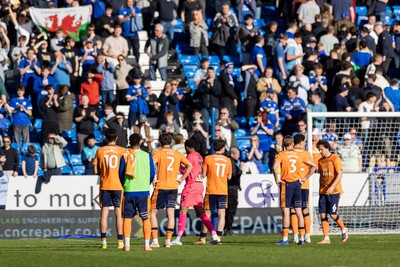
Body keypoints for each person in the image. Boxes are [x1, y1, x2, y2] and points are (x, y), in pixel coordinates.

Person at [170, 139, 220, 245]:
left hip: (191, 186)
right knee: (200, 212)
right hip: (199, 184)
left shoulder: (190, 156)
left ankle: (178, 239)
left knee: (183, 210)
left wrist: (179, 165)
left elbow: (188, 170)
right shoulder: (199, 156)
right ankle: (215, 235)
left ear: (187, 147)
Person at [150, 133, 193, 248]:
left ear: (160, 141)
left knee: (152, 213)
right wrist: (181, 179)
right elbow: (190, 166)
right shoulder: (177, 154)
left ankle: (155, 241)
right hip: (173, 186)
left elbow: (151, 165)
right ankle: (168, 241)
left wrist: (153, 179)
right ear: (171, 142)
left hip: (161, 186)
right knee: (170, 213)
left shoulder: (158, 152)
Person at [273, 135, 316, 245]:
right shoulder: (299, 154)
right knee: (299, 211)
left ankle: (285, 238)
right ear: (292, 144)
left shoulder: (281, 154)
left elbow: (274, 167)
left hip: (287, 184)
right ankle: (302, 237)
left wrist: (276, 179)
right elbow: (313, 166)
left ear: (284, 144)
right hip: (298, 184)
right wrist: (305, 178)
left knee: (286, 211)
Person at [93, 128, 127, 250]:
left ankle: (104, 242)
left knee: (104, 213)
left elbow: (96, 170)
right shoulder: (122, 150)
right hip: (118, 185)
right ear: (116, 138)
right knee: (118, 213)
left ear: (106, 138)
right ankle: (120, 242)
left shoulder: (100, 150)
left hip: (105, 185)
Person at [122, 133, 155, 252]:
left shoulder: (125, 155)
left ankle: (126, 245)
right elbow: (152, 174)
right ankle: (146, 245)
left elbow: (121, 172)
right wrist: (147, 183)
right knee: (145, 218)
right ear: (141, 142)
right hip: (143, 191)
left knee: (127, 218)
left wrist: (124, 184)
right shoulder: (147, 156)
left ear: (129, 142)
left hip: (129, 190)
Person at [195, 139, 232, 244]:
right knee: (221, 214)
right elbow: (229, 176)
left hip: (211, 190)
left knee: (207, 213)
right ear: (223, 148)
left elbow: (204, 174)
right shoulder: (227, 160)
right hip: (223, 190)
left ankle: (202, 238)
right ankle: (218, 238)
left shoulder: (208, 158)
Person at [316, 140, 349, 244]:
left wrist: (332, 186)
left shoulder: (335, 158)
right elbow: (321, 176)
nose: (320, 151)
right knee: (322, 214)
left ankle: (344, 229)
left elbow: (339, 174)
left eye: (321, 149)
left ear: (327, 148)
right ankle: (326, 238)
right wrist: (320, 189)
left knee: (333, 214)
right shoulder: (320, 161)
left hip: (334, 191)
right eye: (319, 149)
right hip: (323, 192)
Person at [290, 134, 314, 244]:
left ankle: (295, 236)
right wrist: (305, 178)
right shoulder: (306, 154)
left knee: (293, 210)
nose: (304, 144)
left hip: (292, 185)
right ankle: (307, 236)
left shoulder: (290, 153)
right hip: (303, 185)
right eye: (304, 142)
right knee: (304, 209)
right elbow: (313, 168)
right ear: (300, 143)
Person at [224, 147, 242, 235]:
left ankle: (226, 228)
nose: (239, 156)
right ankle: (228, 229)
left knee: (228, 209)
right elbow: (233, 177)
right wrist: (241, 170)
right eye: (237, 154)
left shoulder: (232, 162)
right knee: (231, 209)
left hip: (230, 188)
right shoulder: (231, 163)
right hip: (231, 189)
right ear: (232, 154)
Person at [9, 86, 32, 151]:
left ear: (23, 92)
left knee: (26, 140)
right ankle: (17, 153)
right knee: (16, 140)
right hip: (16, 122)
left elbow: (30, 113)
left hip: (25, 123)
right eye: (18, 90)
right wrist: (17, 109)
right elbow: (11, 112)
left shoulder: (27, 100)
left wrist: (23, 108)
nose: (20, 92)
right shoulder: (13, 100)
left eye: (21, 91)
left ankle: (26, 153)